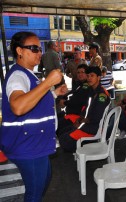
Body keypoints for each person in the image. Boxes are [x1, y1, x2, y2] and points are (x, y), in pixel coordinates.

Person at [0, 31, 67, 202]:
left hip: (36, 143)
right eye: (33, 48)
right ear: (19, 51)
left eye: (39, 48)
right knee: (35, 193)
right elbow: (18, 106)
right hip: (28, 146)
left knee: (42, 183)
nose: (39, 53)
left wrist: (53, 93)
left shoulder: (28, 74)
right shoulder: (18, 75)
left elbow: (33, 99)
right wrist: (48, 83)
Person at [58, 66, 110, 152]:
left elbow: (96, 118)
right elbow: (85, 109)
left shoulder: (101, 95)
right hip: (87, 124)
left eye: (92, 76)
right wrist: (79, 120)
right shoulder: (92, 91)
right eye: (88, 76)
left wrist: (80, 123)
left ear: (98, 77)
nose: (89, 78)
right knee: (63, 132)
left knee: (64, 141)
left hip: (94, 129)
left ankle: (88, 147)